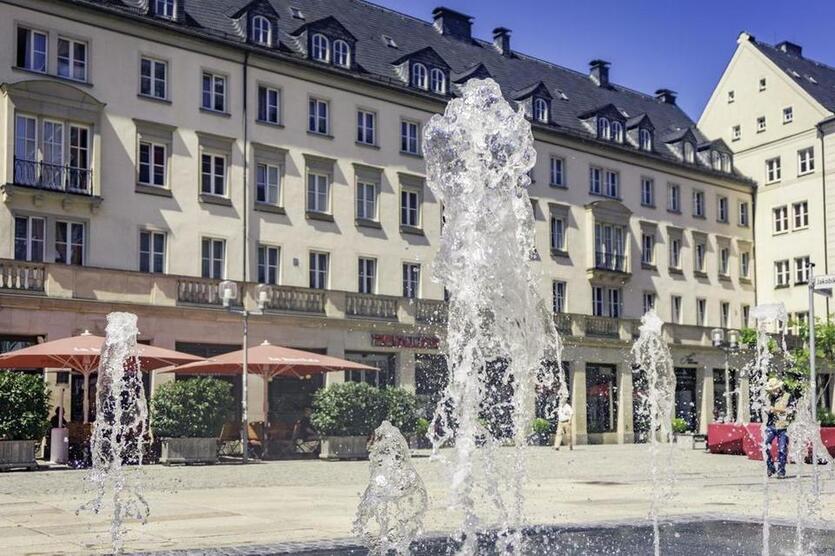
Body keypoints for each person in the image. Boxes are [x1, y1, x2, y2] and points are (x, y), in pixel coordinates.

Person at [764, 377, 791, 479]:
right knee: (765, 446)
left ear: (779, 388)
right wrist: (767, 410)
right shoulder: (769, 397)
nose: (773, 391)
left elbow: (790, 410)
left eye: (775, 389)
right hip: (771, 425)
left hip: (783, 426)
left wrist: (775, 409)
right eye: (771, 390)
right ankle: (770, 466)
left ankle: (781, 470)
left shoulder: (787, 396)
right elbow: (765, 407)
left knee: (782, 449)